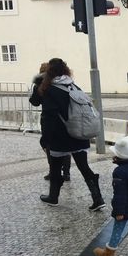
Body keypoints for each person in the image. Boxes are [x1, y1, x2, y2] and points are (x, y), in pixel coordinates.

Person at [36, 58, 105, 210]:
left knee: (55, 168)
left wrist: (45, 140)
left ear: (49, 73)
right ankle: (98, 198)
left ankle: (53, 197)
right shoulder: (73, 86)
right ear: (66, 71)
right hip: (78, 134)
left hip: (60, 138)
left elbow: (49, 117)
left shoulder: (50, 90)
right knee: (84, 167)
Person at [29, 62, 71, 182]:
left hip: (49, 120)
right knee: (65, 145)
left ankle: (53, 172)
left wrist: (36, 87)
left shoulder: (42, 85)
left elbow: (35, 102)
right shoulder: (63, 82)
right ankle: (66, 172)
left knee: (48, 144)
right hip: (64, 119)